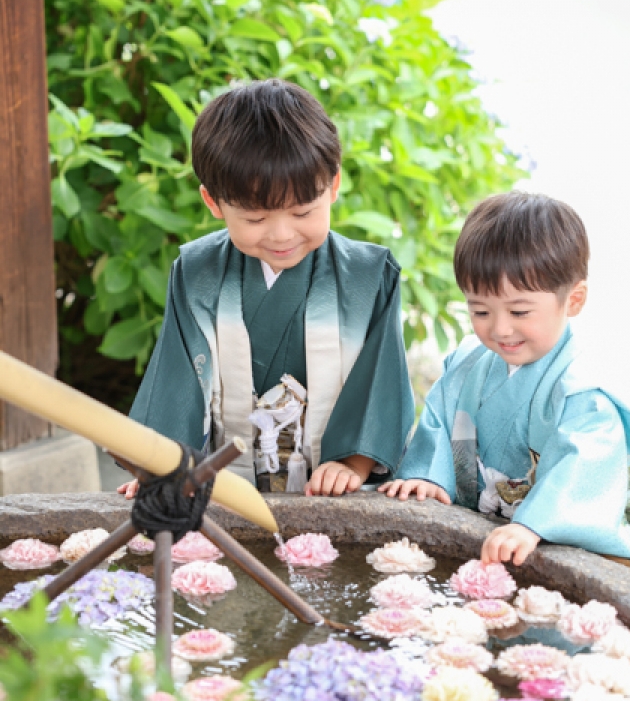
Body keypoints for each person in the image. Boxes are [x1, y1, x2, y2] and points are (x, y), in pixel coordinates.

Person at [120, 79, 414, 498]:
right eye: (255, 219)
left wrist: (353, 462)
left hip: (333, 480)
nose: (281, 235)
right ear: (214, 203)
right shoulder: (197, 272)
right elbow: (178, 376)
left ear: (333, 186)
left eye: (303, 212)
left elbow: (379, 383)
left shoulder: (368, 275)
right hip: (227, 481)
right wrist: (163, 464)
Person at [380, 191, 630, 578]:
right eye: (480, 310)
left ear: (574, 299)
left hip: (542, 542)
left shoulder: (583, 393)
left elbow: (583, 467)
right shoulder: (467, 364)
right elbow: (438, 424)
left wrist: (533, 524)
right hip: (488, 541)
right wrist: (427, 477)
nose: (499, 329)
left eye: (519, 311)